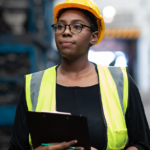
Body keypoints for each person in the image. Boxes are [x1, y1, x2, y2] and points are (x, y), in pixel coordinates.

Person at [9, 0, 150, 150]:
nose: (66, 32)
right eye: (60, 26)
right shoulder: (34, 85)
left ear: (93, 37)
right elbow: (16, 146)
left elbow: (143, 144)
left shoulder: (120, 82)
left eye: (77, 26)